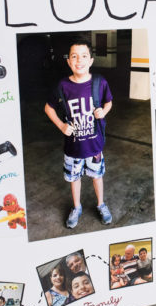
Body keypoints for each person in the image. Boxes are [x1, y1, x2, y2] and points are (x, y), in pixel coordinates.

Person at [44, 38, 113, 229]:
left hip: (94, 145)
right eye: (74, 56)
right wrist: (61, 126)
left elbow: (108, 102)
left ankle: (101, 204)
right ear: (68, 61)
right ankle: (77, 207)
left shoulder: (99, 82)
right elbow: (48, 108)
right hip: (73, 147)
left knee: (97, 176)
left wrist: (103, 112)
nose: (79, 60)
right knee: (74, 179)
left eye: (84, 56)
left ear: (91, 60)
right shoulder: (63, 86)